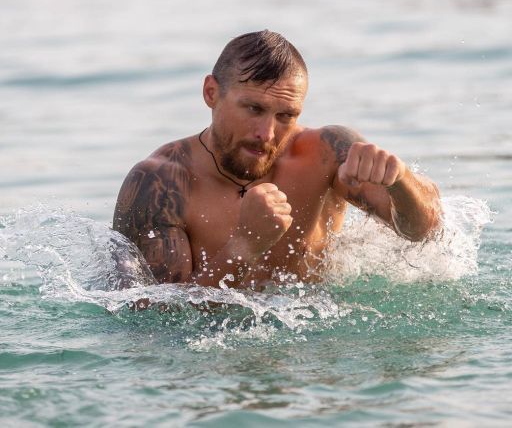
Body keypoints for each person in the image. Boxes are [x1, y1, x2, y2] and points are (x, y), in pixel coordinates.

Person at [113, 30, 441, 290]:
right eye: (253, 109)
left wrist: (399, 181)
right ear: (211, 93)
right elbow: (159, 321)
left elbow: (425, 232)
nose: (267, 133)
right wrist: (244, 246)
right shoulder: (160, 184)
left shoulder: (327, 153)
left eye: (286, 115)